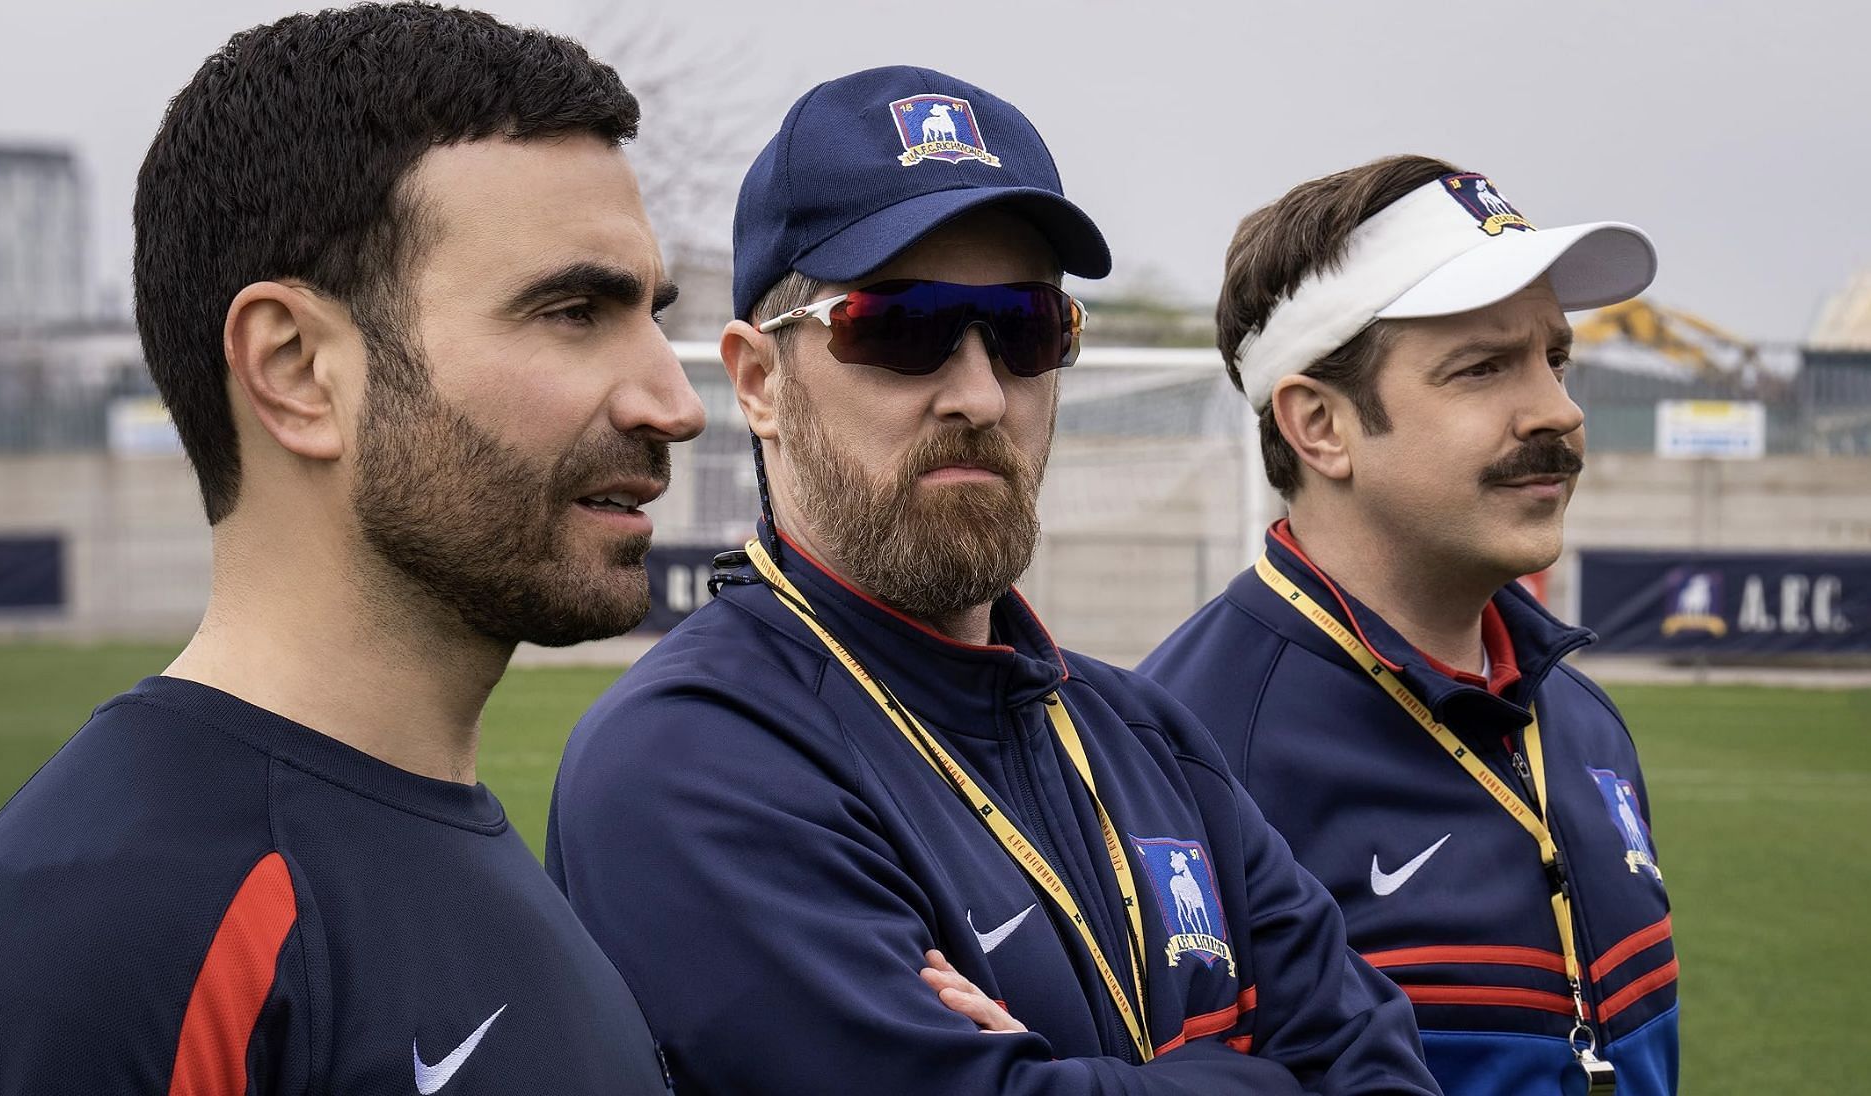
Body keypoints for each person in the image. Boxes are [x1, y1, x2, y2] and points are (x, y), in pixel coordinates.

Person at [547, 66, 1441, 1095]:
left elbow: (1382, 1070)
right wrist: (1254, 1074)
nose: (977, 393)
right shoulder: (689, 757)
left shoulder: (1144, 736)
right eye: (901, 327)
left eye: (1024, 329)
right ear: (757, 379)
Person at [0, 5, 703, 1092]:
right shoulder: (107, 931)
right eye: (571, 311)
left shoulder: (456, 841)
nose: (674, 401)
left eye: (650, 311)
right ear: (296, 369)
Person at [1139, 155, 1677, 1095]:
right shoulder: (1178, 759)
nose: (1559, 410)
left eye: (1555, 358)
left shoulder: (1582, 719)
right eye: (1481, 369)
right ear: (1320, 426)